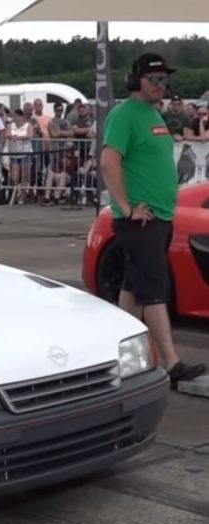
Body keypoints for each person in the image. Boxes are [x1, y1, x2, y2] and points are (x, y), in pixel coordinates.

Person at [99, 53, 206, 388]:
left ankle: (119, 356)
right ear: (137, 80)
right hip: (140, 221)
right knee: (155, 291)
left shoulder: (153, 114)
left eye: (164, 80)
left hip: (159, 215)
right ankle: (172, 363)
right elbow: (108, 160)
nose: (161, 86)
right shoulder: (125, 115)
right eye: (154, 80)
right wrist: (127, 207)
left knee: (132, 288)